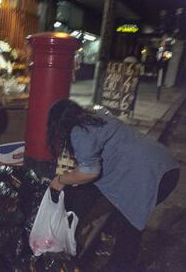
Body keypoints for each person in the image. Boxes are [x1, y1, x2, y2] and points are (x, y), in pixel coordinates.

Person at [47, 99, 179, 271]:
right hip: (164, 164)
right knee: (97, 199)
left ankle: (120, 267)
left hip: (153, 176)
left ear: (59, 124)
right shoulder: (97, 117)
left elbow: (90, 173)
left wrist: (61, 180)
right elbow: (90, 171)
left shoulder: (79, 132)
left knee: (129, 223)